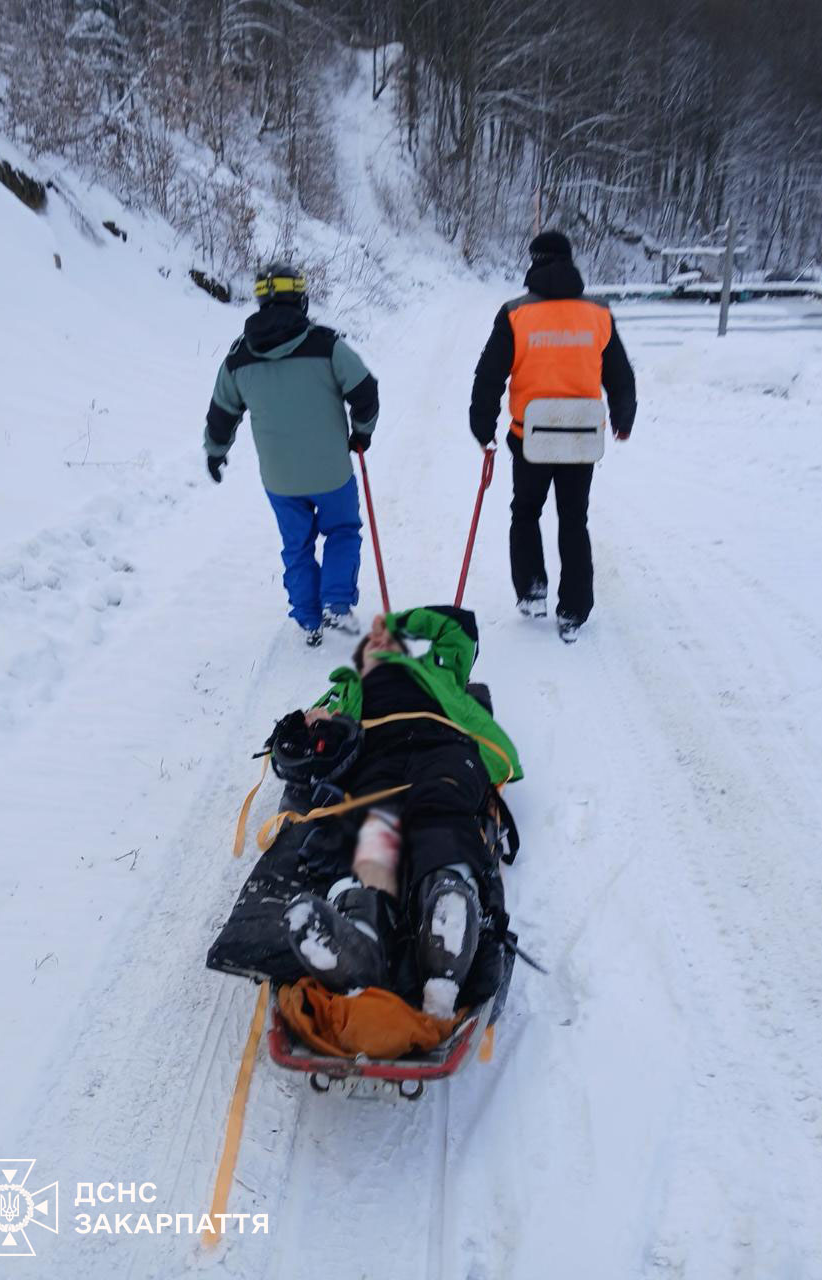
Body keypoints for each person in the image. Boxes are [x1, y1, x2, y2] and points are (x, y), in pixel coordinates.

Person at [284, 605, 522, 1017]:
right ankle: (362, 936)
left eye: (387, 641)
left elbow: (459, 628)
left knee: (439, 813)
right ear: (360, 659)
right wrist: (311, 726)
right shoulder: (343, 694)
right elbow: (295, 756)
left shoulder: (437, 670)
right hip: (375, 761)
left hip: (442, 747)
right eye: (370, 642)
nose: (378, 642)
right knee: (372, 829)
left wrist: (397, 623)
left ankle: (447, 914)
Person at [469, 230, 637, 642]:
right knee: (574, 518)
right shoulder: (598, 313)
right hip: (582, 437)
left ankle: (532, 591)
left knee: (526, 512)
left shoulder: (515, 313)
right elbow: (620, 373)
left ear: (534, 260)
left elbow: (490, 375)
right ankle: (574, 609)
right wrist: (623, 418)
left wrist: (483, 426)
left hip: (532, 436)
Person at [203, 260, 379, 647]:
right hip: (332, 472)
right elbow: (365, 391)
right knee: (342, 531)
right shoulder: (326, 345)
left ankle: (308, 618)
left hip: (280, 478)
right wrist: (361, 433)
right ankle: (336, 601)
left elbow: (222, 412)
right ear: (301, 299)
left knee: (297, 545)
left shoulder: (239, 357)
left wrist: (215, 452)